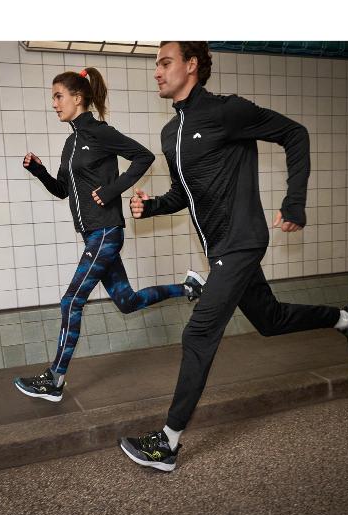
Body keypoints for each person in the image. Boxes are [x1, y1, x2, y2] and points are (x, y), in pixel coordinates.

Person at [118, 42, 348, 472]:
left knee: (198, 335)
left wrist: (294, 203)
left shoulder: (226, 111)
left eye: (165, 62)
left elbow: (295, 133)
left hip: (242, 241)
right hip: (220, 249)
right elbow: (185, 192)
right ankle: (346, 318)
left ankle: (169, 443)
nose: (156, 72)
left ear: (191, 65)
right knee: (269, 321)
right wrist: (154, 205)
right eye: (156, 65)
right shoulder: (170, 132)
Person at [15, 67, 206, 403]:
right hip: (94, 236)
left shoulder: (98, 132)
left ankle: (55, 379)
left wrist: (112, 189)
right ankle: (190, 287)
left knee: (71, 301)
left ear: (78, 97)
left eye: (58, 96)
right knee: (127, 302)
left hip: (106, 232)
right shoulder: (71, 142)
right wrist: (39, 171)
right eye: (53, 98)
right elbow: (62, 191)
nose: (54, 104)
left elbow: (143, 156)